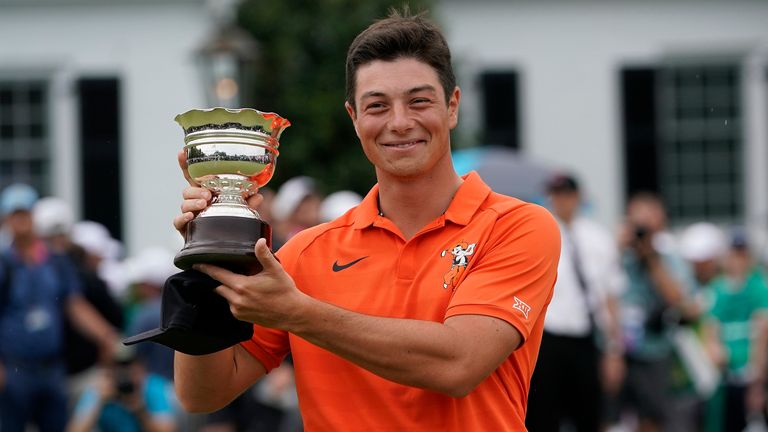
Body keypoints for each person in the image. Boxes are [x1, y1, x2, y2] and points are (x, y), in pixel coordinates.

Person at [171, 9, 560, 431]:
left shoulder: (517, 226)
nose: (398, 122)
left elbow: (459, 364)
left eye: (419, 101)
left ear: (452, 106)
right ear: (354, 118)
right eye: (377, 105)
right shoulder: (306, 252)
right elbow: (202, 394)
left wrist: (299, 313)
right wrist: (210, 258)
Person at [0, 183, 120, 432]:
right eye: (15, 215)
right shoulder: (4, 263)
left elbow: (75, 306)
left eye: (26, 214)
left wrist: (107, 337)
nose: (22, 221)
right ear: (6, 219)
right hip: (13, 368)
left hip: (52, 367)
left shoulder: (56, 262)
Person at [526, 173, 626, 432]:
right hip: (548, 335)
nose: (562, 200)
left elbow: (610, 297)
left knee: (589, 413)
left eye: (567, 194)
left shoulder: (597, 238)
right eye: (557, 195)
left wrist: (614, 350)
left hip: (585, 335)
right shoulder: (539, 233)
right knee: (542, 414)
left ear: (578, 197)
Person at [611, 192, 698, 432]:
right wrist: (618, 247)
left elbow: (677, 298)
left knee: (655, 418)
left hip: (656, 348)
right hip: (621, 349)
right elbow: (604, 289)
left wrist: (650, 257)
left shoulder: (668, 255)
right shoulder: (618, 253)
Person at [701, 229, 768, 432]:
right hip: (725, 376)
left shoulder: (758, 286)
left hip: (751, 374)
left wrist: (757, 376)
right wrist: (714, 351)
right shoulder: (717, 288)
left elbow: (763, 328)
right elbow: (710, 326)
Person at [67, 344, 177, 432]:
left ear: (141, 366)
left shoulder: (152, 387)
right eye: (118, 368)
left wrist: (140, 409)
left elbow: (168, 430)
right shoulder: (100, 389)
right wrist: (98, 401)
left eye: (129, 366)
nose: (125, 374)